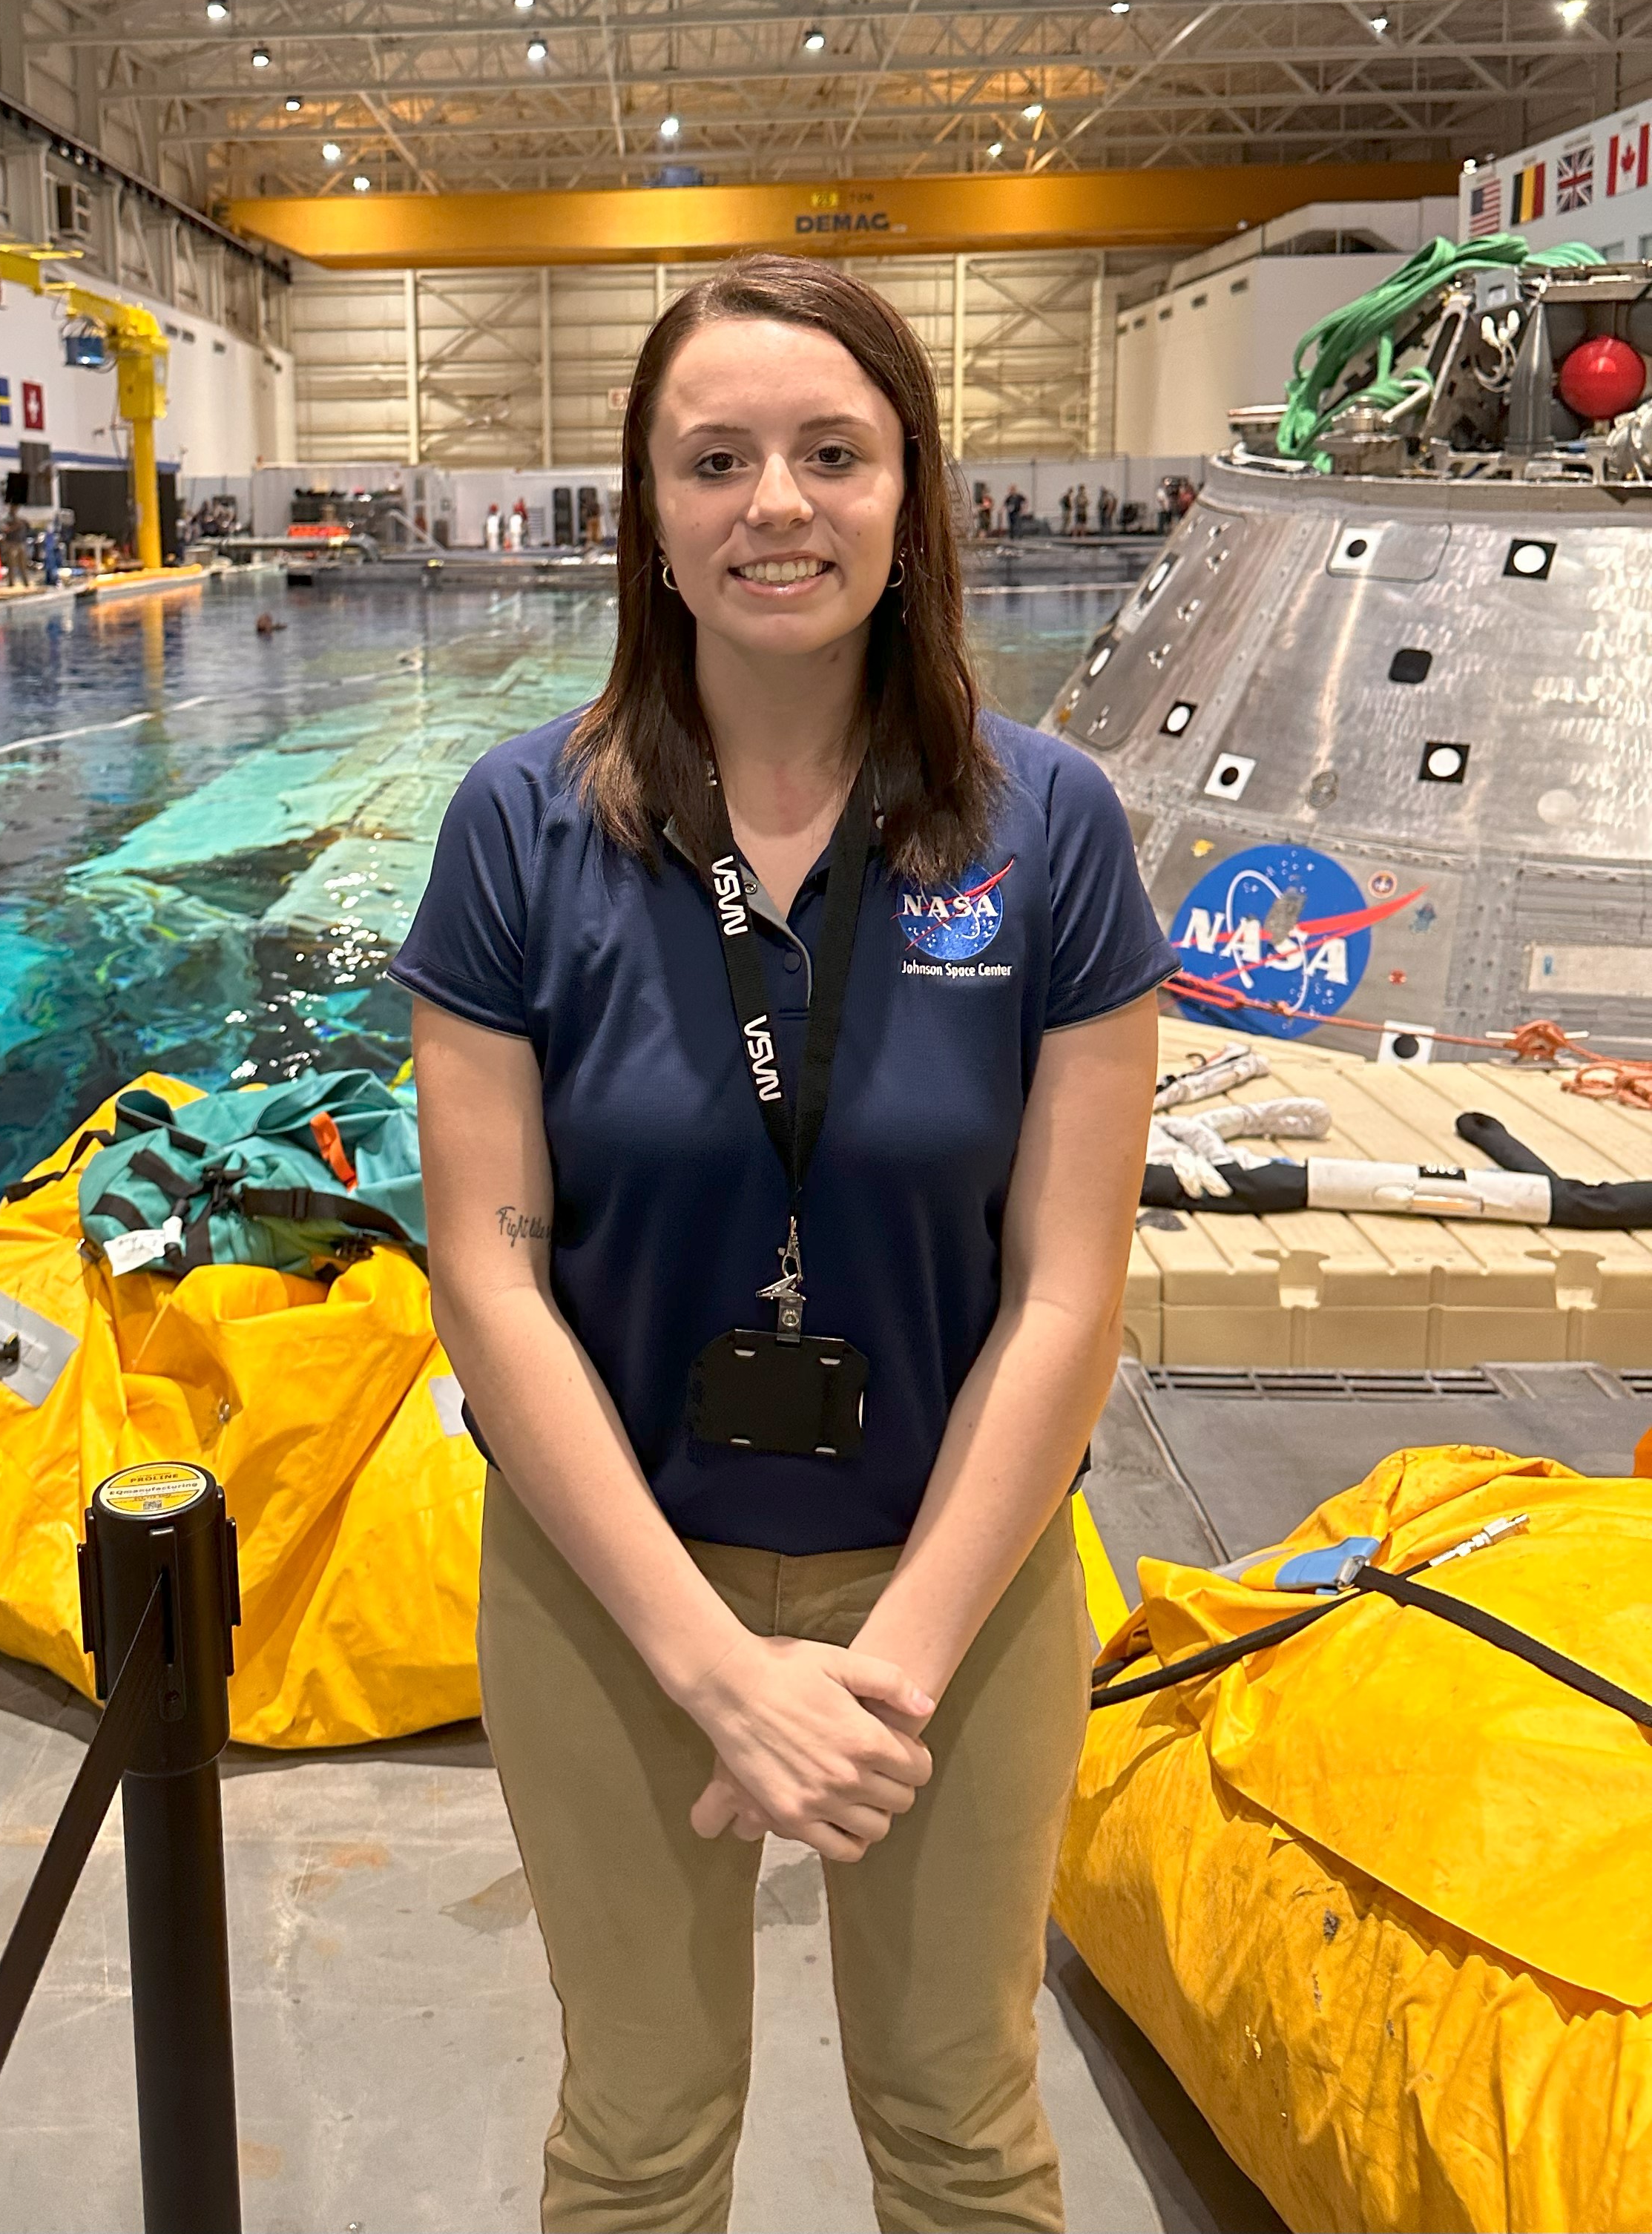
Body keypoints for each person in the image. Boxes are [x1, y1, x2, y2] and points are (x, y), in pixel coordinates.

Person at [398, 254, 1174, 2234]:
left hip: (962, 1580)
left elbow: (1068, 1289)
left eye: (833, 454)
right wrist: (710, 1667)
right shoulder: (520, 829)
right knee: (640, 2139)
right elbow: (488, 1269)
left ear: (911, 498)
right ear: (645, 520)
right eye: (716, 458)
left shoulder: (1050, 827)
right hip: (609, 1582)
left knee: (963, 2132)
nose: (776, 504)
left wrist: (891, 1666)